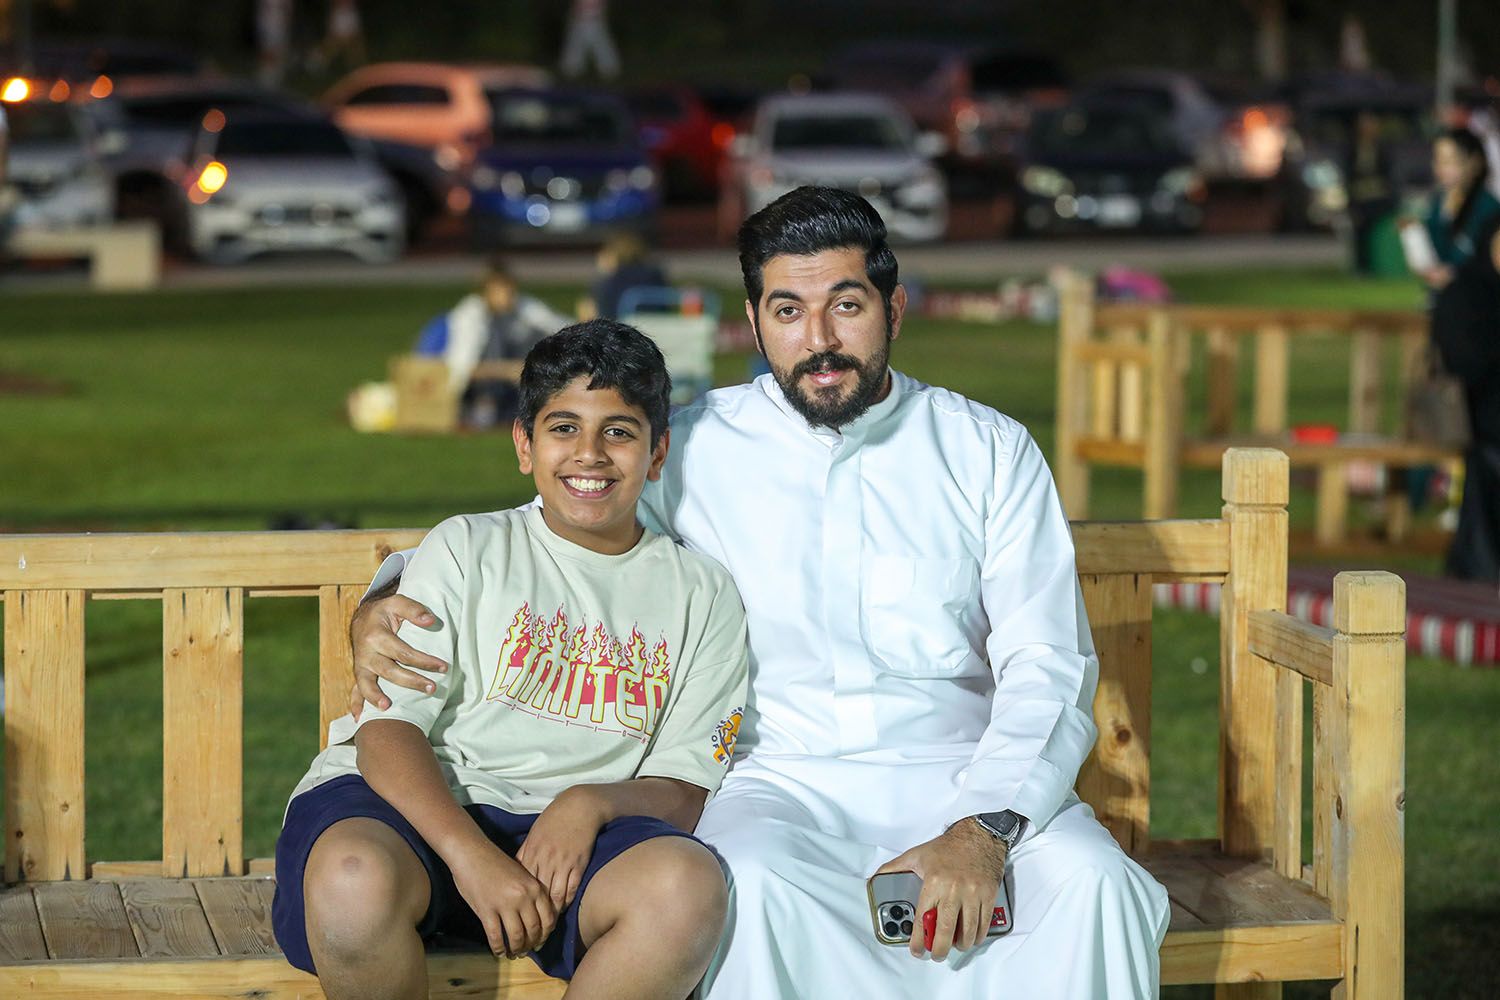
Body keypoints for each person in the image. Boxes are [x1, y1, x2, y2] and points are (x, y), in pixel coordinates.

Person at [353, 186, 1170, 997]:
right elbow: (552, 529)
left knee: (1097, 887)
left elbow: (1046, 661)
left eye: (845, 305)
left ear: (893, 309)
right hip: (776, 780)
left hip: (965, 771)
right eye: (787, 311)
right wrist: (385, 598)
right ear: (753, 322)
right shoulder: (695, 447)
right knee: (743, 882)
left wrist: (984, 831)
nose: (819, 340)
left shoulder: (987, 450)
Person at [273, 320, 750, 1000]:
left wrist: (588, 803)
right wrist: (469, 856)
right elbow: (388, 731)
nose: (589, 454)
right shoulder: (466, 548)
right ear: (524, 444)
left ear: (658, 452)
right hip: (416, 809)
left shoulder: (702, 594)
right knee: (352, 879)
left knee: (686, 888)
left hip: (572, 845)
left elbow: (684, 786)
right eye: (564, 428)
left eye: (618, 431)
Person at [1420, 129, 1500, 579]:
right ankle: (1478, 562)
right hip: (1479, 374)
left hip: (1482, 372)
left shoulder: (1487, 212)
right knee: (1483, 461)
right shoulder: (1449, 210)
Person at [415, 258, 570, 428]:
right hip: (471, 390)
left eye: (509, 290)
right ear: (486, 292)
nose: (507, 296)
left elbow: (555, 324)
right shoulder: (470, 317)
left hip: (508, 383)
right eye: (500, 290)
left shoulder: (521, 306)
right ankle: (484, 410)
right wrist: (506, 370)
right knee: (495, 341)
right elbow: (461, 368)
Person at [576, 233, 668, 321]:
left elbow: (594, 316)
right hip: (656, 325)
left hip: (618, 327)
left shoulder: (609, 283)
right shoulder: (655, 275)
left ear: (612, 255)